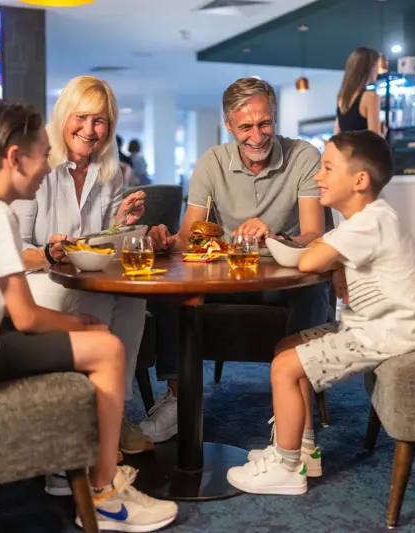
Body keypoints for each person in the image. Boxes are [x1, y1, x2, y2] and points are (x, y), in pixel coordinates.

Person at [0, 100, 177, 531]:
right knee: (106, 348)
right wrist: (81, 325)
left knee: (89, 333)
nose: (47, 166)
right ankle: (105, 493)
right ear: (16, 158)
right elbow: (27, 317)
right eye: (43, 155)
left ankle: (72, 463)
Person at [226, 130, 415, 495]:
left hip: (384, 335)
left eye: (327, 168)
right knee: (287, 347)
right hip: (374, 327)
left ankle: (287, 467)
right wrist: (334, 260)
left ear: (359, 180)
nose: (317, 176)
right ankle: (303, 450)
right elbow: (325, 250)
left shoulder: (369, 222)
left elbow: (309, 261)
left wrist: (328, 258)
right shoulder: (367, 219)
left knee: (285, 367)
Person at [144, 77, 332, 447]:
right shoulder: (211, 163)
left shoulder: (304, 156)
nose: (257, 136)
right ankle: (180, 400)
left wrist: (275, 238)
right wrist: (163, 241)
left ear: (275, 118)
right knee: (167, 289)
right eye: (246, 127)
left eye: (265, 123)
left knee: (311, 290)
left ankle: (297, 415)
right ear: (229, 125)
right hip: (225, 279)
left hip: (281, 282)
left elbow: (314, 234)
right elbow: (187, 238)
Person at [10, 76, 155, 461]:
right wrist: (47, 254)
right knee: (98, 300)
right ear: (63, 115)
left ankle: (114, 408)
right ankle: (90, 417)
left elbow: (101, 243)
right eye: (81, 117)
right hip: (35, 277)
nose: (89, 130)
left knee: (133, 301)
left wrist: (121, 224)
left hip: (85, 276)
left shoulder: (111, 172)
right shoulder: (37, 164)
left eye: (100, 121)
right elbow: (11, 251)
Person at [334, 47, 382, 135]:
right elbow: (375, 140)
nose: (378, 71)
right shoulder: (371, 97)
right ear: (369, 68)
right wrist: (383, 133)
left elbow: (337, 135)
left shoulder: (341, 97)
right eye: (376, 66)